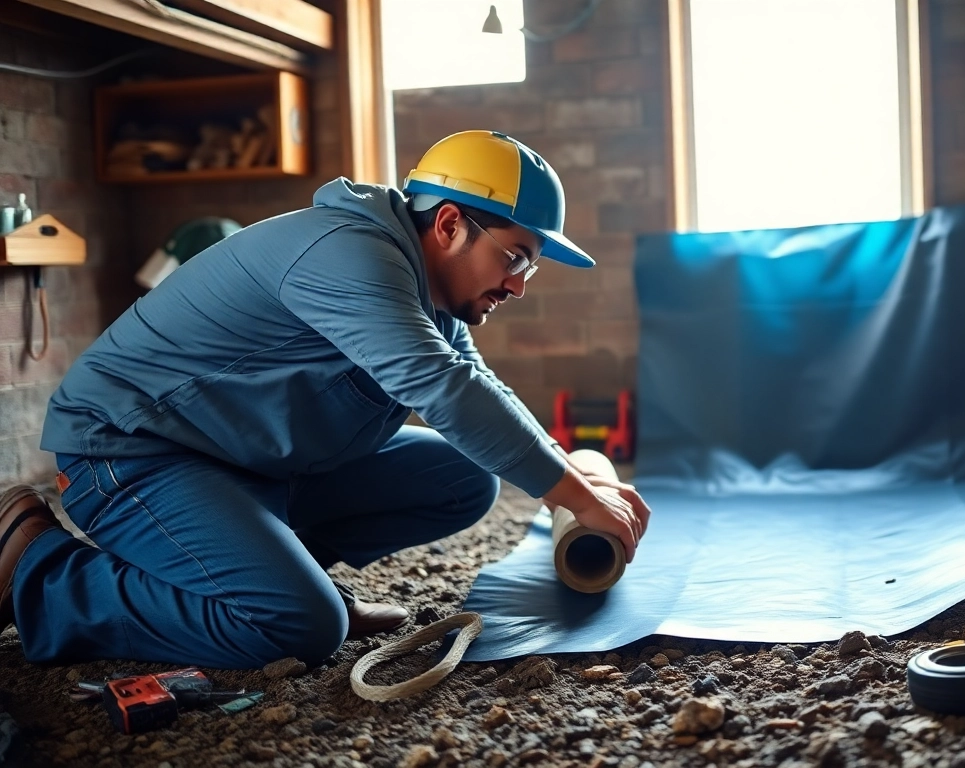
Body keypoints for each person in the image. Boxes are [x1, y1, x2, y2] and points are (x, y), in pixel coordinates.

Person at [0, 130, 652, 669]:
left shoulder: (431, 296)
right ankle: (39, 569)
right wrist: (573, 494)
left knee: (463, 477)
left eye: (529, 266)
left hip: (237, 460)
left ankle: (269, 567)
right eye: (515, 258)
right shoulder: (350, 255)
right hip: (129, 451)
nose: (519, 286)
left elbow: (480, 392)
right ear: (450, 224)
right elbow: (442, 387)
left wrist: (569, 469)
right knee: (298, 628)